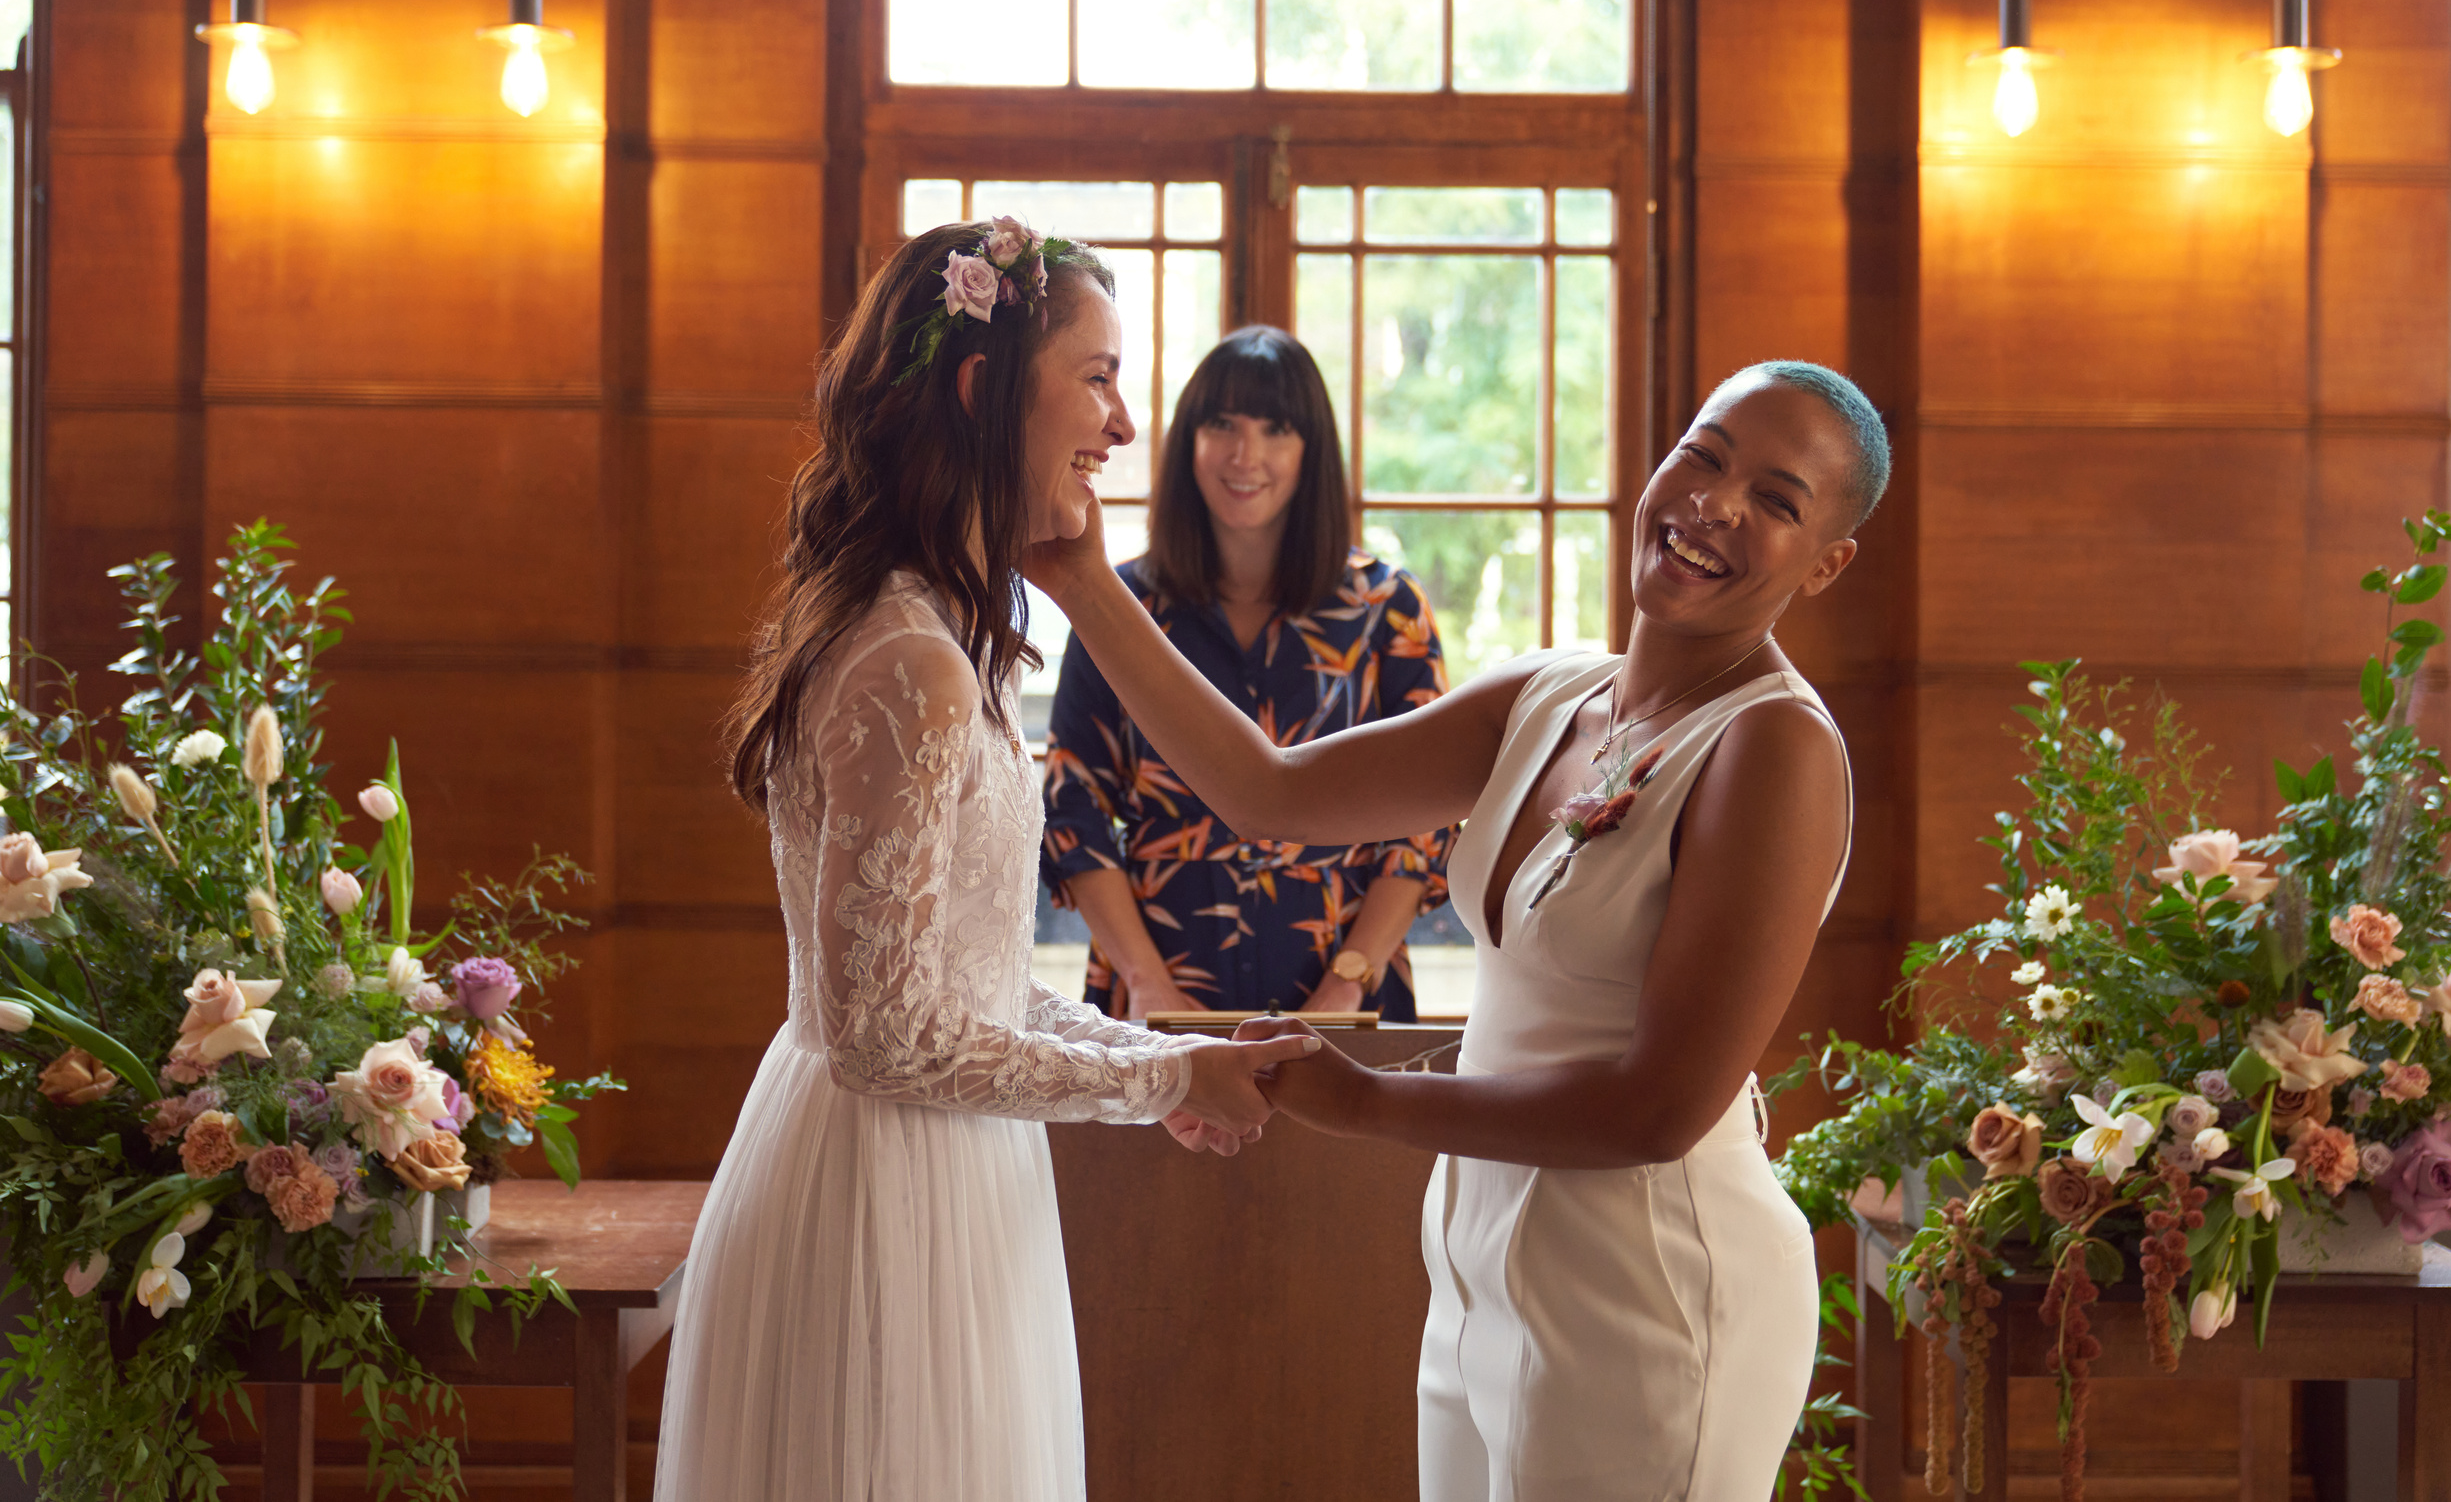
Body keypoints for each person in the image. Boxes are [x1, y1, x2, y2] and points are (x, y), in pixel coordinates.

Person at [1025, 360, 1888, 1502]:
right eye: (1706, 455)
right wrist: (1083, 581)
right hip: (1479, 1254)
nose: (1716, 504)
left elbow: (1661, 1107)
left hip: (1653, 1284)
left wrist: (1365, 1099)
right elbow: (1271, 793)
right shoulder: (1550, 692)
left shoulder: (1772, 748)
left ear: (1826, 562)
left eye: (1777, 501)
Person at [654, 220, 1322, 1502]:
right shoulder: (912, 658)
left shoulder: (935, 634)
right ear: (982, 390)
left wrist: (1167, 1059)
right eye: (1098, 376)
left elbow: (967, 982)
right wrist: (1160, 1077)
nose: (1125, 426)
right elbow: (889, 1038)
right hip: (885, 1192)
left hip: (946, 1165)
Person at [1042, 326, 1455, 1023]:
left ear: (1311, 450)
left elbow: (1427, 819)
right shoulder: (1118, 606)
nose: (1245, 455)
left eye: (1276, 429)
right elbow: (1073, 805)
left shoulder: (1389, 609)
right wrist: (1146, 983)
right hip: (1154, 996)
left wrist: (1348, 984)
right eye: (1222, 424)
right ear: (1189, 442)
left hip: (1344, 991)